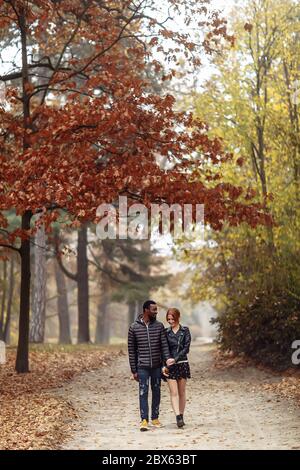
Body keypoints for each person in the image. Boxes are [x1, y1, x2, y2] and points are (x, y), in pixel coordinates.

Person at [128, 300, 175, 431]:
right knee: (143, 392)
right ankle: (144, 420)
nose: (156, 312)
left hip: (156, 366)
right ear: (146, 310)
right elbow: (131, 350)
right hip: (142, 366)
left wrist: (167, 363)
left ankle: (155, 418)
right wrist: (134, 370)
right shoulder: (134, 327)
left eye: (156, 309)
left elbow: (164, 346)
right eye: (154, 309)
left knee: (156, 392)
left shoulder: (159, 326)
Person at [163, 308, 191, 428]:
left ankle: (182, 414)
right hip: (170, 366)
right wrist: (165, 363)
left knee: (181, 392)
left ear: (178, 317)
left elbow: (186, 348)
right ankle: (178, 417)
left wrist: (175, 359)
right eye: (168, 319)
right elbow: (164, 349)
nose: (170, 321)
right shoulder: (166, 332)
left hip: (182, 363)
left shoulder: (185, 331)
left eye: (172, 319)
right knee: (173, 392)